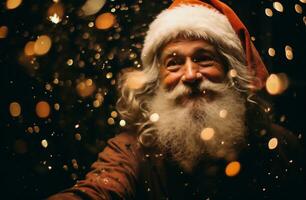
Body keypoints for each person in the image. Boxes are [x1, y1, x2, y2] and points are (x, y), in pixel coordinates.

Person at [48, 0, 305, 199]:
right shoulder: (132, 151)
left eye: (204, 57)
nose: (191, 75)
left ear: (231, 71)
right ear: (157, 80)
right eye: (173, 63)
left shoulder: (281, 146)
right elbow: (97, 191)